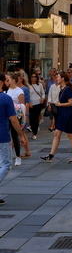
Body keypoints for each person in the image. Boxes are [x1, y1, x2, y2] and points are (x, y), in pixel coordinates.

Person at [40, 71, 72, 163]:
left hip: (68, 114)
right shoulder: (62, 88)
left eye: (58, 77)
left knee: (70, 135)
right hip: (62, 114)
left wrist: (60, 104)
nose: (56, 79)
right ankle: (51, 155)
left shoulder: (67, 89)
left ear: (62, 78)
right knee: (57, 133)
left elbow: (71, 102)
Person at [0, 73, 26, 204]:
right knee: (6, 164)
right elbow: (14, 120)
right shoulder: (6, 98)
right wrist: (21, 135)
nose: (7, 82)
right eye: (5, 80)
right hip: (2, 135)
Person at [27, 71, 45, 140]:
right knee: (31, 118)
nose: (33, 78)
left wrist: (42, 98)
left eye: (35, 77)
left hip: (38, 103)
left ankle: (35, 133)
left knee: (36, 117)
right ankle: (33, 128)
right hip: (31, 104)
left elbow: (42, 93)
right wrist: (28, 103)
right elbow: (27, 96)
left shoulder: (39, 85)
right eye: (32, 77)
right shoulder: (28, 86)